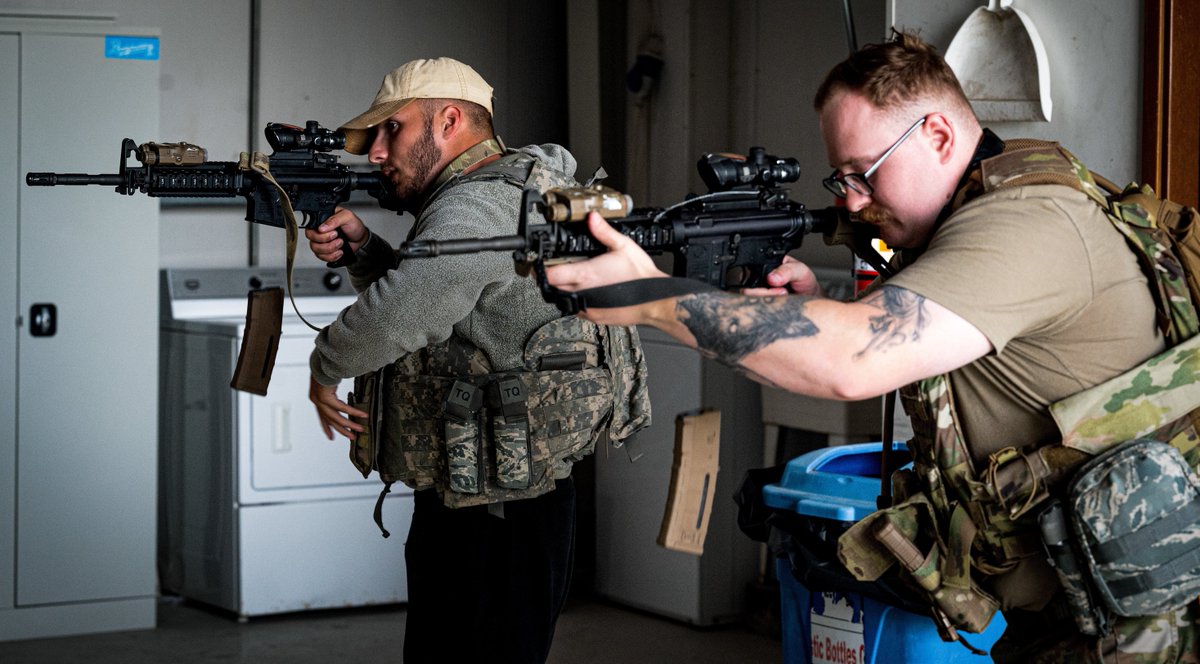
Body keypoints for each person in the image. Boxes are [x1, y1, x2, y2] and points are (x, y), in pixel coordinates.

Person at [544, 32, 1199, 662]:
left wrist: (652, 296)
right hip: (1092, 608)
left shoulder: (1025, 223)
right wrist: (823, 309)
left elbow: (851, 360)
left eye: (864, 174)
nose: (854, 202)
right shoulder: (990, 199)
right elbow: (933, 339)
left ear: (938, 136)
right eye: (842, 180)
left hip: (1159, 625)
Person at [304, 57, 650, 664]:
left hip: (492, 513)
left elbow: (400, 317)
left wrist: (324, 368)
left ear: (450, 121)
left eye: (393, 130)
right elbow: (452, 306)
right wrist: (365, 250)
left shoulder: (476, 207)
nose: (377, 154)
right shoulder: (524, 187)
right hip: (502, 492)